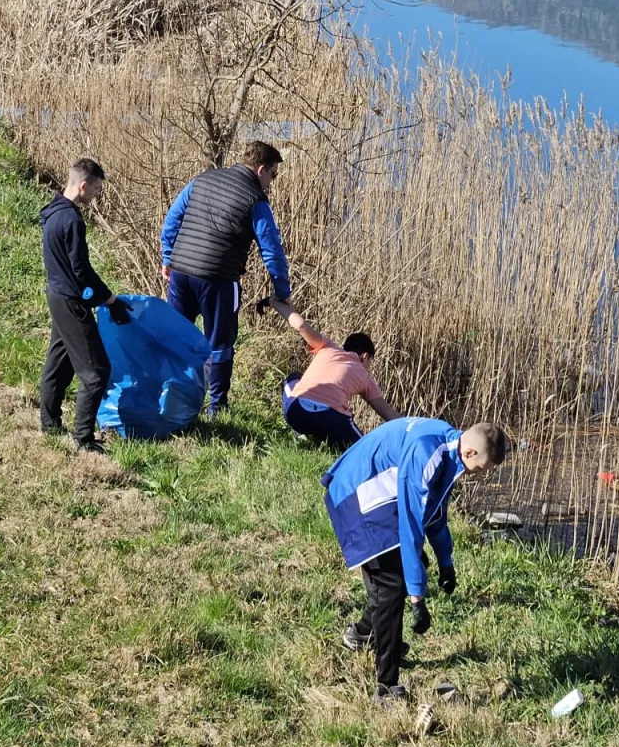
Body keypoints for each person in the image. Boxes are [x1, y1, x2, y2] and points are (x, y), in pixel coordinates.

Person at [322, 418, 510, 703]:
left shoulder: (450, 450)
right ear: (470, 453)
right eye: (481, 469)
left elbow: (433, 511)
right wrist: (417, 598)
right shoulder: (427, 452)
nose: (479, 476)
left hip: (374, 494)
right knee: (390, 583)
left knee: (398, 572)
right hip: (354, 495)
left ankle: (362, 635)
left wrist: (444, 559)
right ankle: (386, 687)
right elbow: (411, 524)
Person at [160, 141, 290, 415]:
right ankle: (216, 407)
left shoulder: (202, 179)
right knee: (219, 344)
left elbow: (172, 218)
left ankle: (167, 397)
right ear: (261, 170)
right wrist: (282, 290)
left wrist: (168, 257)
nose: (271, 182)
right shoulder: (256, 199)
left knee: (175, 336)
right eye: (273, 175)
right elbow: (272, 250)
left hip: (181, 272)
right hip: (218, 278)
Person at [39, 158, 132, 454]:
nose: (97, 195)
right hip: (71, 302)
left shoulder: (52, 213)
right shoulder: (72, 220)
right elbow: (82, 273)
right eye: (96, 189)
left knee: (58, 365)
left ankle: (49, 424)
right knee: (97, 372)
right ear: (83, 186)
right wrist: (108, 299)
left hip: (56, 296)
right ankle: (83, 438)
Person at [264, 297, 398, 450]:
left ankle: (302, 435)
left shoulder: (327, 347)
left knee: (293, 378)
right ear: (365, 356)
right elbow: (387, 413)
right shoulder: (364, 376)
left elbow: (300, 325)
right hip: (330, 420)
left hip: (297, 413)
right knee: (361, 450)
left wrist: (274, 302)